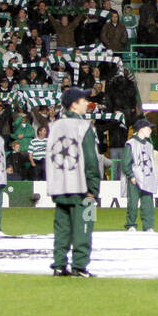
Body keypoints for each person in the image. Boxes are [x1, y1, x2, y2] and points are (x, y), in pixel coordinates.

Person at [47, 87, 101, 277]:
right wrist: (93, 187)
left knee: (62, 228)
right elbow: (91, 159)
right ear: (74, 104)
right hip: (81, 187)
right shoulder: (84, 126)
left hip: (60, 186)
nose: (87, 102)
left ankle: (59, 264)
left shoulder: (55, 127)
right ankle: (80, 266)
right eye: (83, 100)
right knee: (84, 226)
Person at [122, 118, 157, 232]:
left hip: (147, 177)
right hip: (135, 178)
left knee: (148, 203)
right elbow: (126, 162)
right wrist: (131, 175)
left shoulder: (149, 145)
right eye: (148, 128)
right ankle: (131, 224)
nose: (150, 131)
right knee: (133, 202)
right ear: (141, 129)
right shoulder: (131, 143)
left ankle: (148, 225)